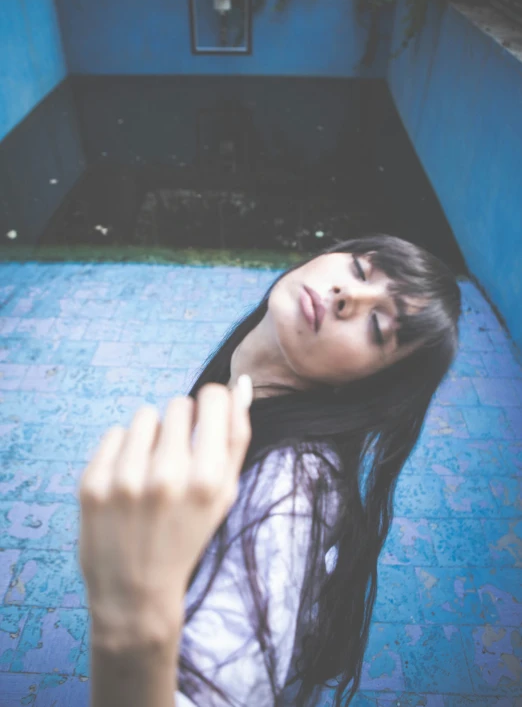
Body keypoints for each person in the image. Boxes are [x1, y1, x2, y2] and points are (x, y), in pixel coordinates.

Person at [78, 234, 461, 707]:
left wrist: (131, 625)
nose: (348, 297)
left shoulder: (291, 494)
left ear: (369, 387)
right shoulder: (244, 391)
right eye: (361, 271)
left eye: (378, 327)